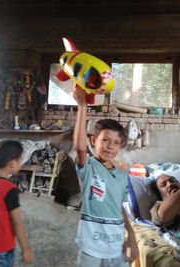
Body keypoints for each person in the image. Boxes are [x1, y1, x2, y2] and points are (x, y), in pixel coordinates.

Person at [73, 86, 138, 267]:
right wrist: (82, 106)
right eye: (105, 140)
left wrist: (131, 237)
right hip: (91, 247)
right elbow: (79, 148)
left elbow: (120, 206)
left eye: (116, 142)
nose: (110, 146)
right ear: (94, 141)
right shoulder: (89, 167)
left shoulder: (122, 174)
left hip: (116, 246)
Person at [0, 139, 35, 266]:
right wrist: (26, 249)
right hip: (1, 249)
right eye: (20, 160)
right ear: (12, 162)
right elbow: (16, 223)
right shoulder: (9, 190)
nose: (20, 164)